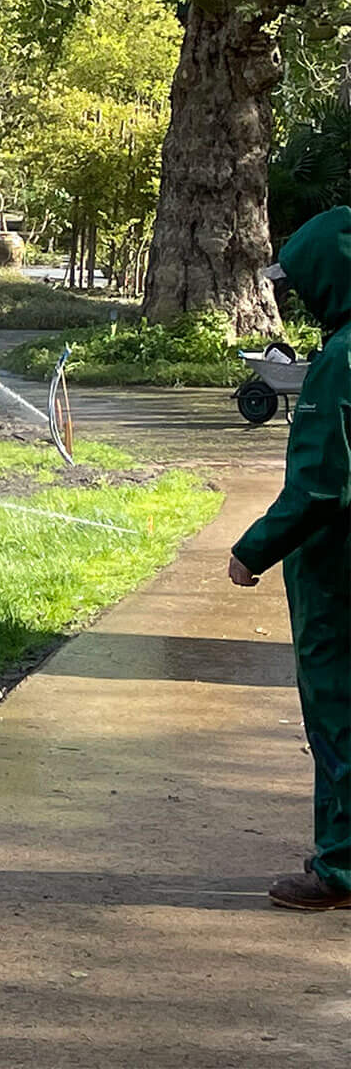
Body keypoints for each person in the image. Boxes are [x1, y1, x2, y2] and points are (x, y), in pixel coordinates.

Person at [229, 205, 351, 910]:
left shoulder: (340, 364)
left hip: (338, 575)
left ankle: (340, 868)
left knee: (339, 713)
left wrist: (252, 551)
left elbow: (319, 486)